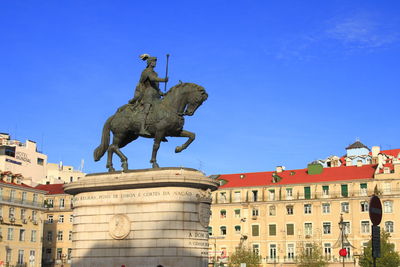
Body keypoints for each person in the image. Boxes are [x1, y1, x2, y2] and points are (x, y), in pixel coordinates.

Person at [129, 54, 168, 136]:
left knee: (160, 110)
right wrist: (163, 80)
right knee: (146, 110)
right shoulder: (146, 71)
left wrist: (162, 93)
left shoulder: (155, 73)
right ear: (150, 62)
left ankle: (159, 130)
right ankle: (142, 128)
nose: (155, 63)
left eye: (155, 61)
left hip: (156, 94)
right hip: (148, 93)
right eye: (153, 61)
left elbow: (156, 86)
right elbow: (152, 79)